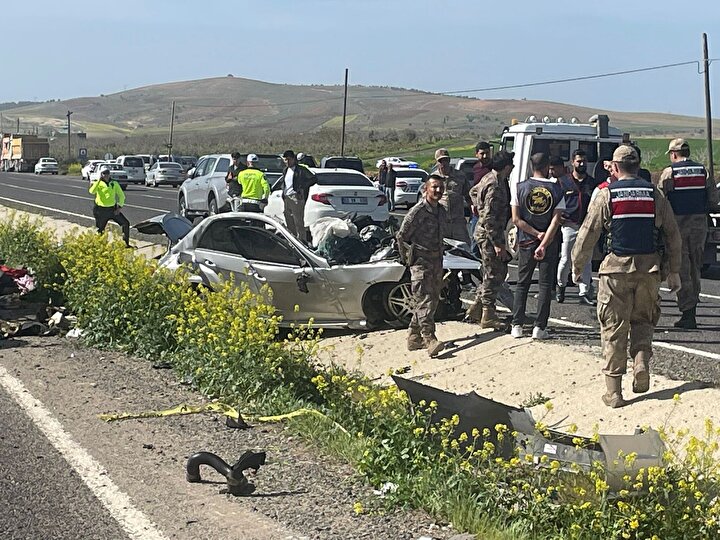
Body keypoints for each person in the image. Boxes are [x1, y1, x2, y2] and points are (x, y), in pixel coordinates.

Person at [572, 145, 682, 408]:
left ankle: (614, 392)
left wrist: (577, 266)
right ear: (638, 165)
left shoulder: (606, 195)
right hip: (650, 271)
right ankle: (641, 360)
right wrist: (674, 270)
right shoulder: (654, 194)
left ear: (616, 167)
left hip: (615, 272)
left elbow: (588, 233)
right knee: (644, 320)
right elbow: (673, 235)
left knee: (613, 329)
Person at [656, 138, 719, 329]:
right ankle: (693, 303)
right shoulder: (703, 171)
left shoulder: (669, 173)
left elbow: (661, 201)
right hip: (699, 225)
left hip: (677, 225)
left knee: (680, 267)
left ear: (674, 154)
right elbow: (713, 200)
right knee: (695, 267)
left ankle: (687, 312)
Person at [510, 153, 566, 340]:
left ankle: (516, 325)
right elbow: (556, 220)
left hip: (526, 241)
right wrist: (543, 241)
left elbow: (516, 219)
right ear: (547, 166)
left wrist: (534, 233)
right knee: (544, 286)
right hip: (549, 243)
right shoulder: (557, 190)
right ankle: (539, 328)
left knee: (522, 283)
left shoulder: (519, 188)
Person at [396, 174, 447, 357]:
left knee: (431, 300)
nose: (438, 191)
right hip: (420, 262)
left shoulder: (441, 211)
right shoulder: (417, 211)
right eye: (434, 187)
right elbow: (402, 236)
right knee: (424, 300)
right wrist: (407, 258)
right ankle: (429, 339)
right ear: (426, 189)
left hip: (436, 261)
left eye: (441, 187)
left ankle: (414, 337)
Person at [464, 151, 515, 329]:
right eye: (511, 165)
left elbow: (473, 191)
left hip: (487, 233)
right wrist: (498, 245)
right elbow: (489, 219)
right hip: (489, 236)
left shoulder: (489, 178)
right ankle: (488, 314)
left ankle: (477, 308)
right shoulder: (494, 185)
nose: (513, 168)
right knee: (494, 274)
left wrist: (477, 205)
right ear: (506, 166)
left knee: (491, 272)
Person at [556, 149, 596, 305]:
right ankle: (561, 286)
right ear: (572, 162)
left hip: (587, 225)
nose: (582, 164)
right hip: (569, 225)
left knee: (586, 259)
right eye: (579, 161)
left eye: (584, 161)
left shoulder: (592, 183)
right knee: (566, 259)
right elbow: (556, 201)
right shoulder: (563, 182)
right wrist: (559, 218)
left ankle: (584, 292)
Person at [88, 165, 131, 247]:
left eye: (107, 173)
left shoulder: (114, 183)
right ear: (101, 174)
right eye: (104, 173)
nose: (106, 175)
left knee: (125, 223)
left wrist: (119, 207)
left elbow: (121, 195)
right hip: (101, 210)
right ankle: (99, 246)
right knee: (100, 230)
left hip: (112, 209)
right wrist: (98, 181)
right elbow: (92, 191)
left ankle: (126, 244)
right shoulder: (98, 183)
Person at [435, 148, 471, 244]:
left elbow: (468, 195)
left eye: (446, 160)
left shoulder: (460, 176)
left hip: (458, 222)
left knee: (464, 249)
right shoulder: (433, 179)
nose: (444, 163)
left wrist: (473, 211)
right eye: (441, 161)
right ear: (437, 162)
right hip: (441, 223)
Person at [281, 149, 317, 240]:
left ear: (293, 159)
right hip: (287, 197)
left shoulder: (301, 170)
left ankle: (302, 240)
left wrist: (301, 188)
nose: (287, 162)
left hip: (296, 198)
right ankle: (292, 239)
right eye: (285, 160)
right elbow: (284, 183)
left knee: (298, 221)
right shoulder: (285, 170)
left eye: (289, 159)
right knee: (289, 220)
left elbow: (313, 179)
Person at [469, 142, 493, 249]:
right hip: (477, 212)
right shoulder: (475, 168)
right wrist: (473, 204)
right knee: (475, 242)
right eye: (482, 153)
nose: (485, 156)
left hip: (491, 211)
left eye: (487, 153)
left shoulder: (494, 168)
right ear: (476, 154)